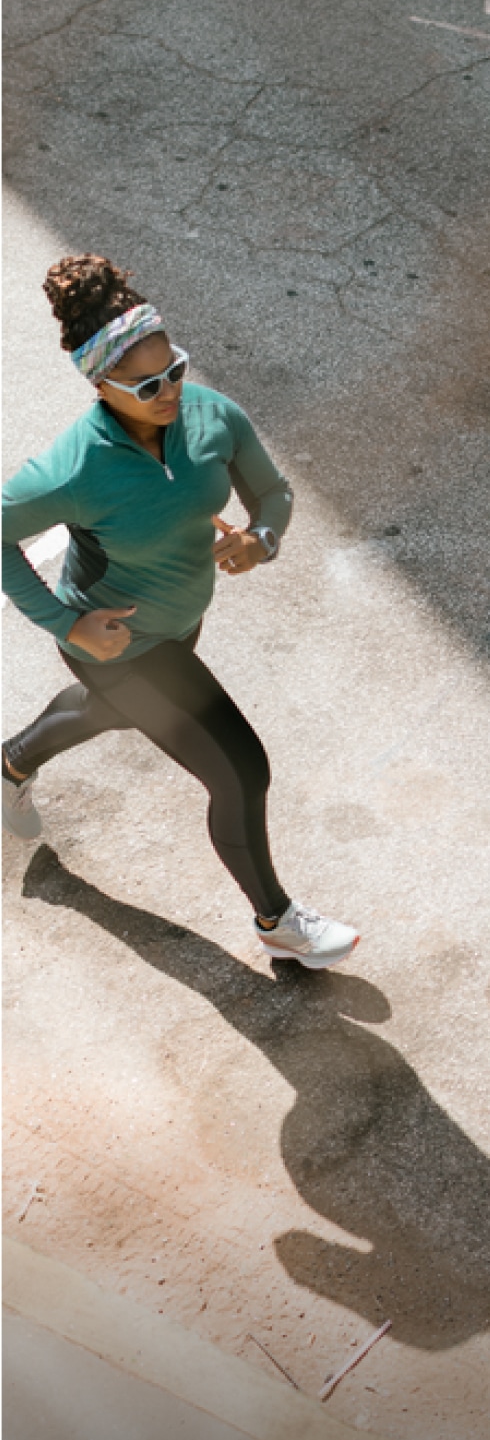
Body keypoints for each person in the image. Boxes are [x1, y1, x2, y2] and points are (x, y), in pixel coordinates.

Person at [2, 254, 359, 969]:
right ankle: (278, 924)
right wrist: (67, 624)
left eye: (175, 371)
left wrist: (260, 540)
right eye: (144, 385)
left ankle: (10, 764)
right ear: (100, 386)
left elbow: (275, 494)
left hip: (180, 619)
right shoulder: (73, 470)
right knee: (239, 770)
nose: (169, 392)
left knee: (112, 712)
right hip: (120, 640)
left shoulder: (210, 416)